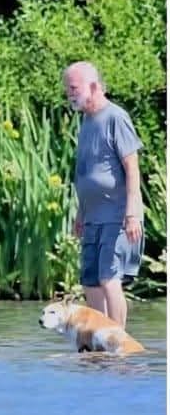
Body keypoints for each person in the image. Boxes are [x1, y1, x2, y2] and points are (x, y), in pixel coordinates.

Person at [63, 61, 144, 328]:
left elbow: (132, 169)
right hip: (92, 217)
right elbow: (87, 171)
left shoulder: (115, 117)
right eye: (67, 89)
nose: (69, 94)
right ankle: (99, 339)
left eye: (73, 88)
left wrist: (132, 214)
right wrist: (80, 213)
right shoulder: (86, 120)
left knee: (109, 277)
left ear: (94, 86)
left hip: (117, 216)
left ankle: (117, 340)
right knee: (90, 281)